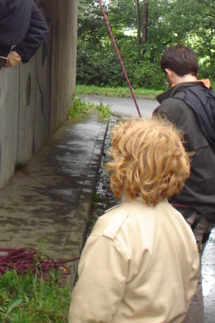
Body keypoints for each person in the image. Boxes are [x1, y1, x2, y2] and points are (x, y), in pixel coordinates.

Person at [68, 118, 200, 323]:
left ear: (124, 166)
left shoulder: (114, 231)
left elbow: (88, 314)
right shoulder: (181, 224)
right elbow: (187, 290)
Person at [153, 45, 215, 323]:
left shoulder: (169, 109)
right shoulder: (211, 97)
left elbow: (156, 166)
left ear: (169, 73)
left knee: (185, 278)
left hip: (190, 205)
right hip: (208, 203)